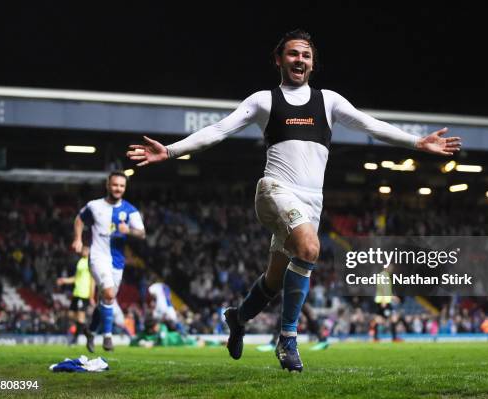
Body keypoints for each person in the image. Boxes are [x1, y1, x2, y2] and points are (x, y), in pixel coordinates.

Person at [126, 29, 461, 372]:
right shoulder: (264, 100)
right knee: (310, 249)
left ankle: (238, 318)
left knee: (274, 280)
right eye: (292, 54)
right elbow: (218, 130)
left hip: (311, 203)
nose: (299, 59)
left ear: (313, 64)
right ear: (278, 59)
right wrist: (170, 150)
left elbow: (369, 125)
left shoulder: (328, 101)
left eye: (306, 55)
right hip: (274, 191)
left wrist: (418, 143)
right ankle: (287, 337)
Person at [71, 171, 146, 351]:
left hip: (118, 261)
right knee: (110, 295)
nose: (118, 188)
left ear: (124, 188)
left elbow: (142, 233)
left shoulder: (130, 210)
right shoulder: (95, 206)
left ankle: (91, 331)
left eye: (121, 186)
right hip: (97, 256)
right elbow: (79, 220)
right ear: (107, 185)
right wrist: (78, 239)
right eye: (115, 185)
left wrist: (128, 230)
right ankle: (107, 337)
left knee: (106, 299)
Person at [56, 245, 96, 351]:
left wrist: (92, 296)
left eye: (86, 250)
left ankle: (77, 338)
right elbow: (76, 278)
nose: (84, 251)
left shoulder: (90, 262)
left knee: (80, 317)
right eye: (83, 249)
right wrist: (64, 280)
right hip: (76, 293)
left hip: (84, 294)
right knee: (70, 315)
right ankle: (87, 333)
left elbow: (93, 280)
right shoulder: (80, 261)